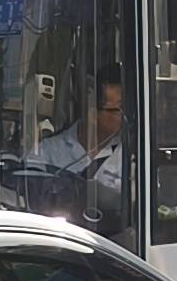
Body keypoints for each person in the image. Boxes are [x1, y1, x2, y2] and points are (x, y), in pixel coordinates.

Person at [28, 63, 128, 235]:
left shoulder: (128, 155)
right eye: (118, 109)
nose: (123, 116)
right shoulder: (47, 152)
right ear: (92, 114)